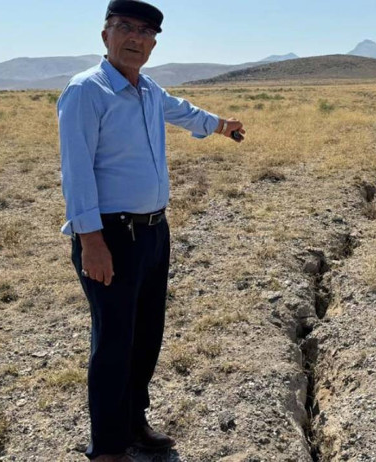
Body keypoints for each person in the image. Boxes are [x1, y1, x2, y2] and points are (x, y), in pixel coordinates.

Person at [57, 1, 244, 460]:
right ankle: (107, 447)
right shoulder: (87, 91)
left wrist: (219, 125)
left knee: (146, 336)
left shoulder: (147, 89)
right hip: (111, 237)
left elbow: (179, 110)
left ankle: (133, 423)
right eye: (125, 28)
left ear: (154, 42)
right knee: (114, 341)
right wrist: (91, 241)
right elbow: (76, 171)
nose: (135, 39)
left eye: (145, 32)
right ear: (106, 35)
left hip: (155, 233)